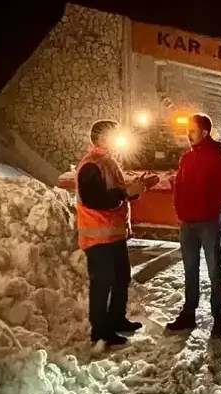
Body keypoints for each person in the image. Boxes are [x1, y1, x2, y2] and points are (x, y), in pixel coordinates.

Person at [76, 119, 145, 348]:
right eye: (114, 134)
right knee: (102, 284)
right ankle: (101, 332)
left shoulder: (108, 162)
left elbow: (116, 193)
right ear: (102, 137)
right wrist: (122, 194)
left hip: (114, 236)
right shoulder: (91, 165)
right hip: (98, 238)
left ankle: (117, 319)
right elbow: (92, 199)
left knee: (121, 278)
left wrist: (133, 191)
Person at [167, 114, 221, 339]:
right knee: (190, 271)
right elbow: (180, 186)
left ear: (204, 133)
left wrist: (208, 207)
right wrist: (180, 209)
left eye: (192, 130)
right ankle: (189, 314)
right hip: (187, 224)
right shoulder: (186, 158)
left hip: (208, 224)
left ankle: (218, 317)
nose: (188, 134)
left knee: (214, 270)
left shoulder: (220, 157)